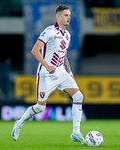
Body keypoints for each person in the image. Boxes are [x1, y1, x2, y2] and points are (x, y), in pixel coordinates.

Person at [11, 4, 87, 145]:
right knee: (40, 107)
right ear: (58, 17)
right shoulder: (49, 31)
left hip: (61, 72)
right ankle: (19, 123)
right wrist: (47, 66)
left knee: (78, 96)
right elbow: (35, 50)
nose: (68, 17)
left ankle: (76, 133)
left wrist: (70, 74)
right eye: (66, 15)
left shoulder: (67, 35)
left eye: (70, 15)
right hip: (46, 73)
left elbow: (64, 57)